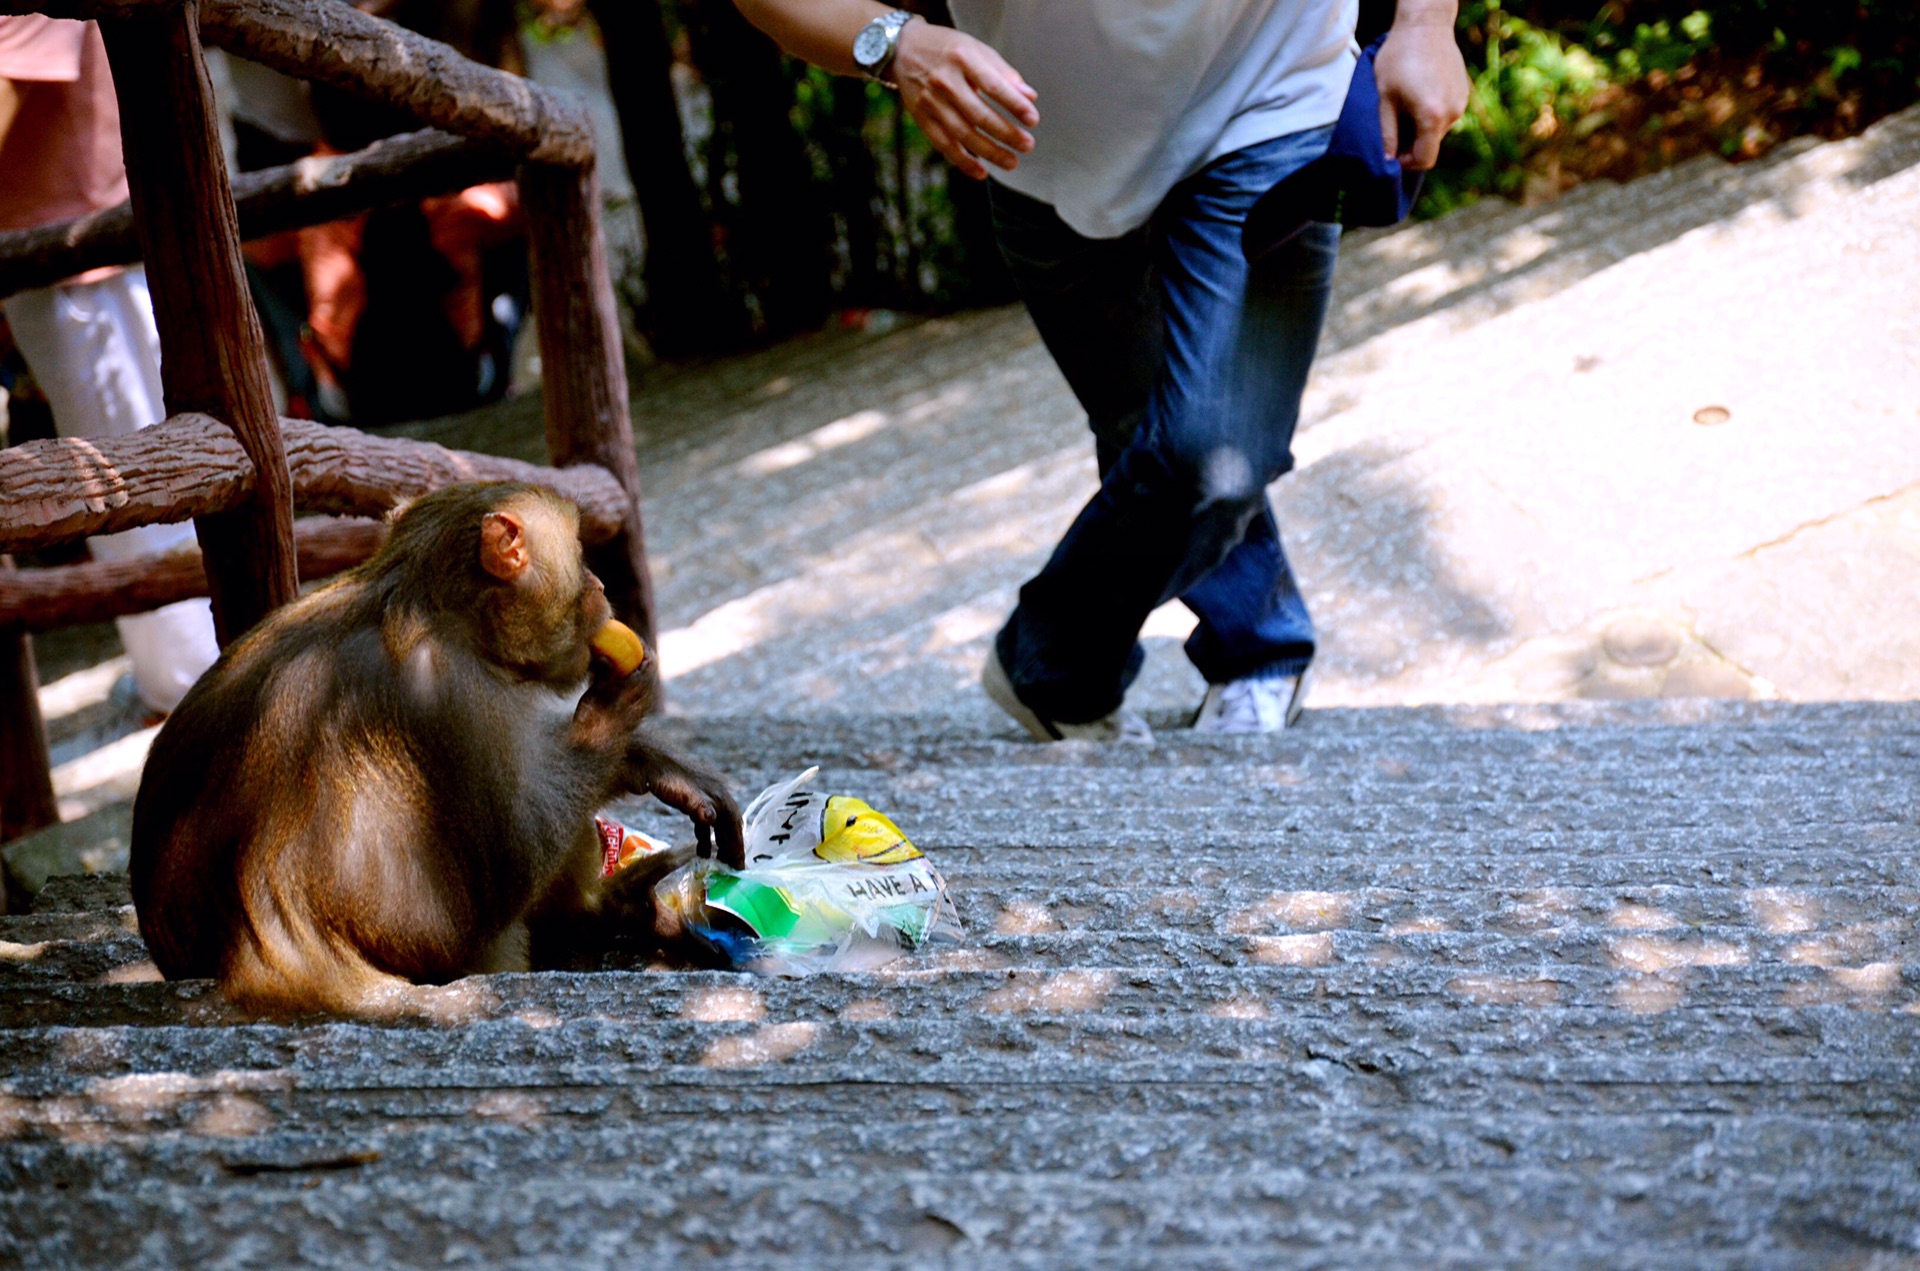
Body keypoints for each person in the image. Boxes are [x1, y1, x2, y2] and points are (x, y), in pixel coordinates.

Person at [735, 0, 1468, 740]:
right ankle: (1258, 647)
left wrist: (1424, 25)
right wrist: (897, 45)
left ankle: (1050, 664)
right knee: (1140, 432)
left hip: (1275, 90)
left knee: (1214, 453)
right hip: (1036, 144)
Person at [0, 14, 221, 714]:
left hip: (88, 253)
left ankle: (199, 695)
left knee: (135, 485)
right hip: (66, 248)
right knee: (128, 487)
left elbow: (9, 80)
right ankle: (191, 686)